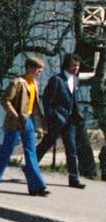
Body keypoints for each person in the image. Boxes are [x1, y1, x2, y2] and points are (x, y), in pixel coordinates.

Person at [0, 56, 49, 196]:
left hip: (28, 121)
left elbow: (35, 106)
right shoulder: (17, 83)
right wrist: (15, 116)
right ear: (30, 68)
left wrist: (40, 124)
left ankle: (36, 186)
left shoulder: (35, 84)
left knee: (31, 152)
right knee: (6, 150)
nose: (40, 72)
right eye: (39, 69)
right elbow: (5, 100)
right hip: (14, 123)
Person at [37, 54, 86, 189]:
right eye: (73, 65)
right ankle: (31, 167)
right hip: (57, 119)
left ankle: (74, 179)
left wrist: (77, 116)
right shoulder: (57, 80)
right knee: (46, 145)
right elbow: (48, 101)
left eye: (78, 65)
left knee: (71, 148)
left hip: (70, 121)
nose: (76, 68)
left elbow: (73, 100)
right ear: (67, 65)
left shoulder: (75, 80)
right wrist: (50, 117)